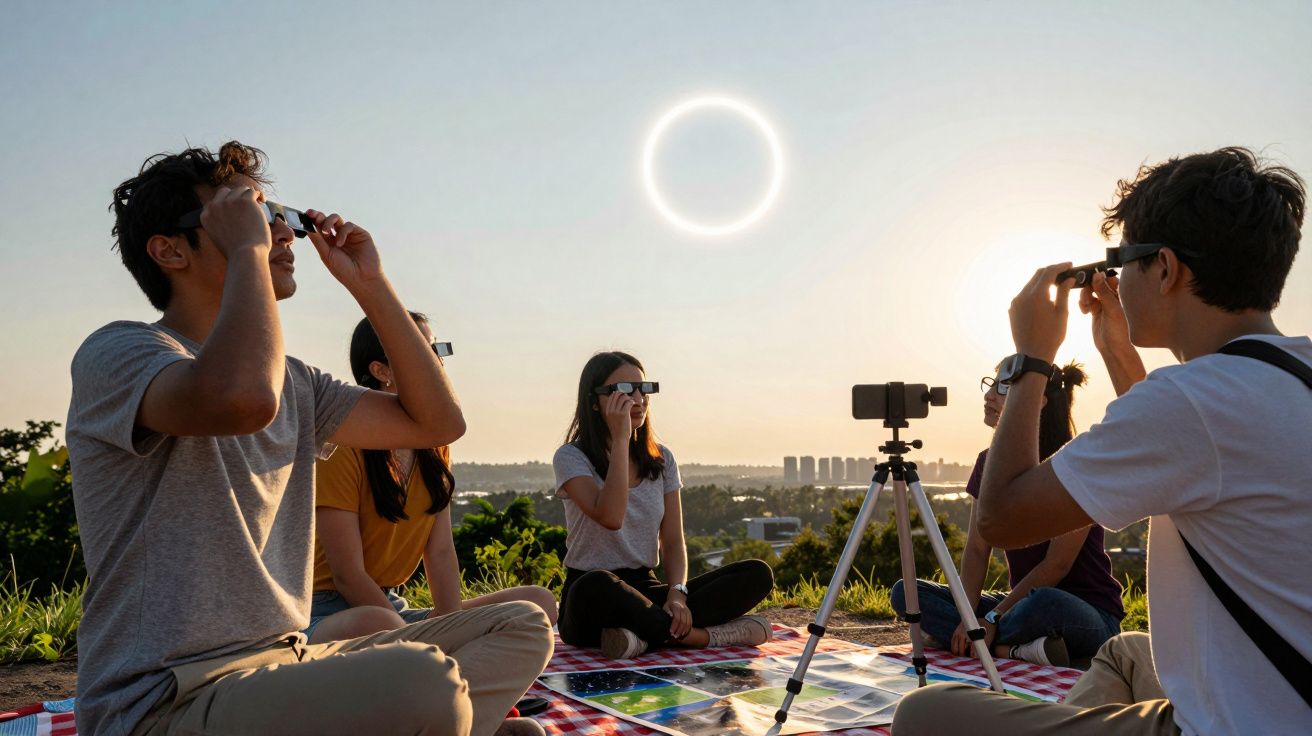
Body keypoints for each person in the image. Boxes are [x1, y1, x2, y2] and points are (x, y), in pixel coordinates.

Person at [67, 142, 552, 736]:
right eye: (250, 213)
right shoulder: (120, 352)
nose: (282, 233)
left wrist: (370, 286)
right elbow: (242, 400)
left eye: (278, 216)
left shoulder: (297, 382)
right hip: (164, 700)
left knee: (520, 624)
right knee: (423, 681)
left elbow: (438, 424)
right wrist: (249, 250)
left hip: (285, 665)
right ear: (170, 250)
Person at [892, 147, 1311, 735]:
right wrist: (1116, 344)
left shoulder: (1193, 400)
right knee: (1122, 652)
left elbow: (1002, 518)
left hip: (1238, 725)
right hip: (1286, 697)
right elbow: (1179, 446)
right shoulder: (1283, 375)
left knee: (923, 713)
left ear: (1164, 269)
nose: (1116, 277)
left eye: (1122, 259)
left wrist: (1031, 361)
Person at [305, 313, 558, 644]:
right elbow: (348, 576)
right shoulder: (342, 445)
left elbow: (439, 552)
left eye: (437, 350)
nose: (437, 362)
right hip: (329, 613)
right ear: (381, 371)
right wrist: (417, 636)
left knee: (536, 603)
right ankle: (423, 652)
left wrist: (451, 626)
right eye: (423, 350)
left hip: (391, 609)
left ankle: (425, 650)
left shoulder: (434, 443)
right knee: (377, 622)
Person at [890, 361, 1124, 667]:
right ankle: (1011, 649)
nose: (989, 395)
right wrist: (967, 616)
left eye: (1004, 387)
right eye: (992, 384)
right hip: (1018, 604)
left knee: (1045, 602)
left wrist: (991, 618)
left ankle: (983, 643)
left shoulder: (1076, 462)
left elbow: (1057, 565)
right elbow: (977, 549)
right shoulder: (988, 463)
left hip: (1084, 613)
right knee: (907, 593)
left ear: (1038, 400)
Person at [552, 351, 776, 659]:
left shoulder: (661, 459)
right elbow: (611, 516)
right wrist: (621, 439)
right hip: (593, 597)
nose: (638, 399)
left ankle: (641, 636)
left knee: (757, 574)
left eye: (644, 389)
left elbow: (672, 541)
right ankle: (701, 637)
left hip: (646, 591)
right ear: (595, 401)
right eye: (624, 390)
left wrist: (677, 594)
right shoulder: (571, 457)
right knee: (596, 584)